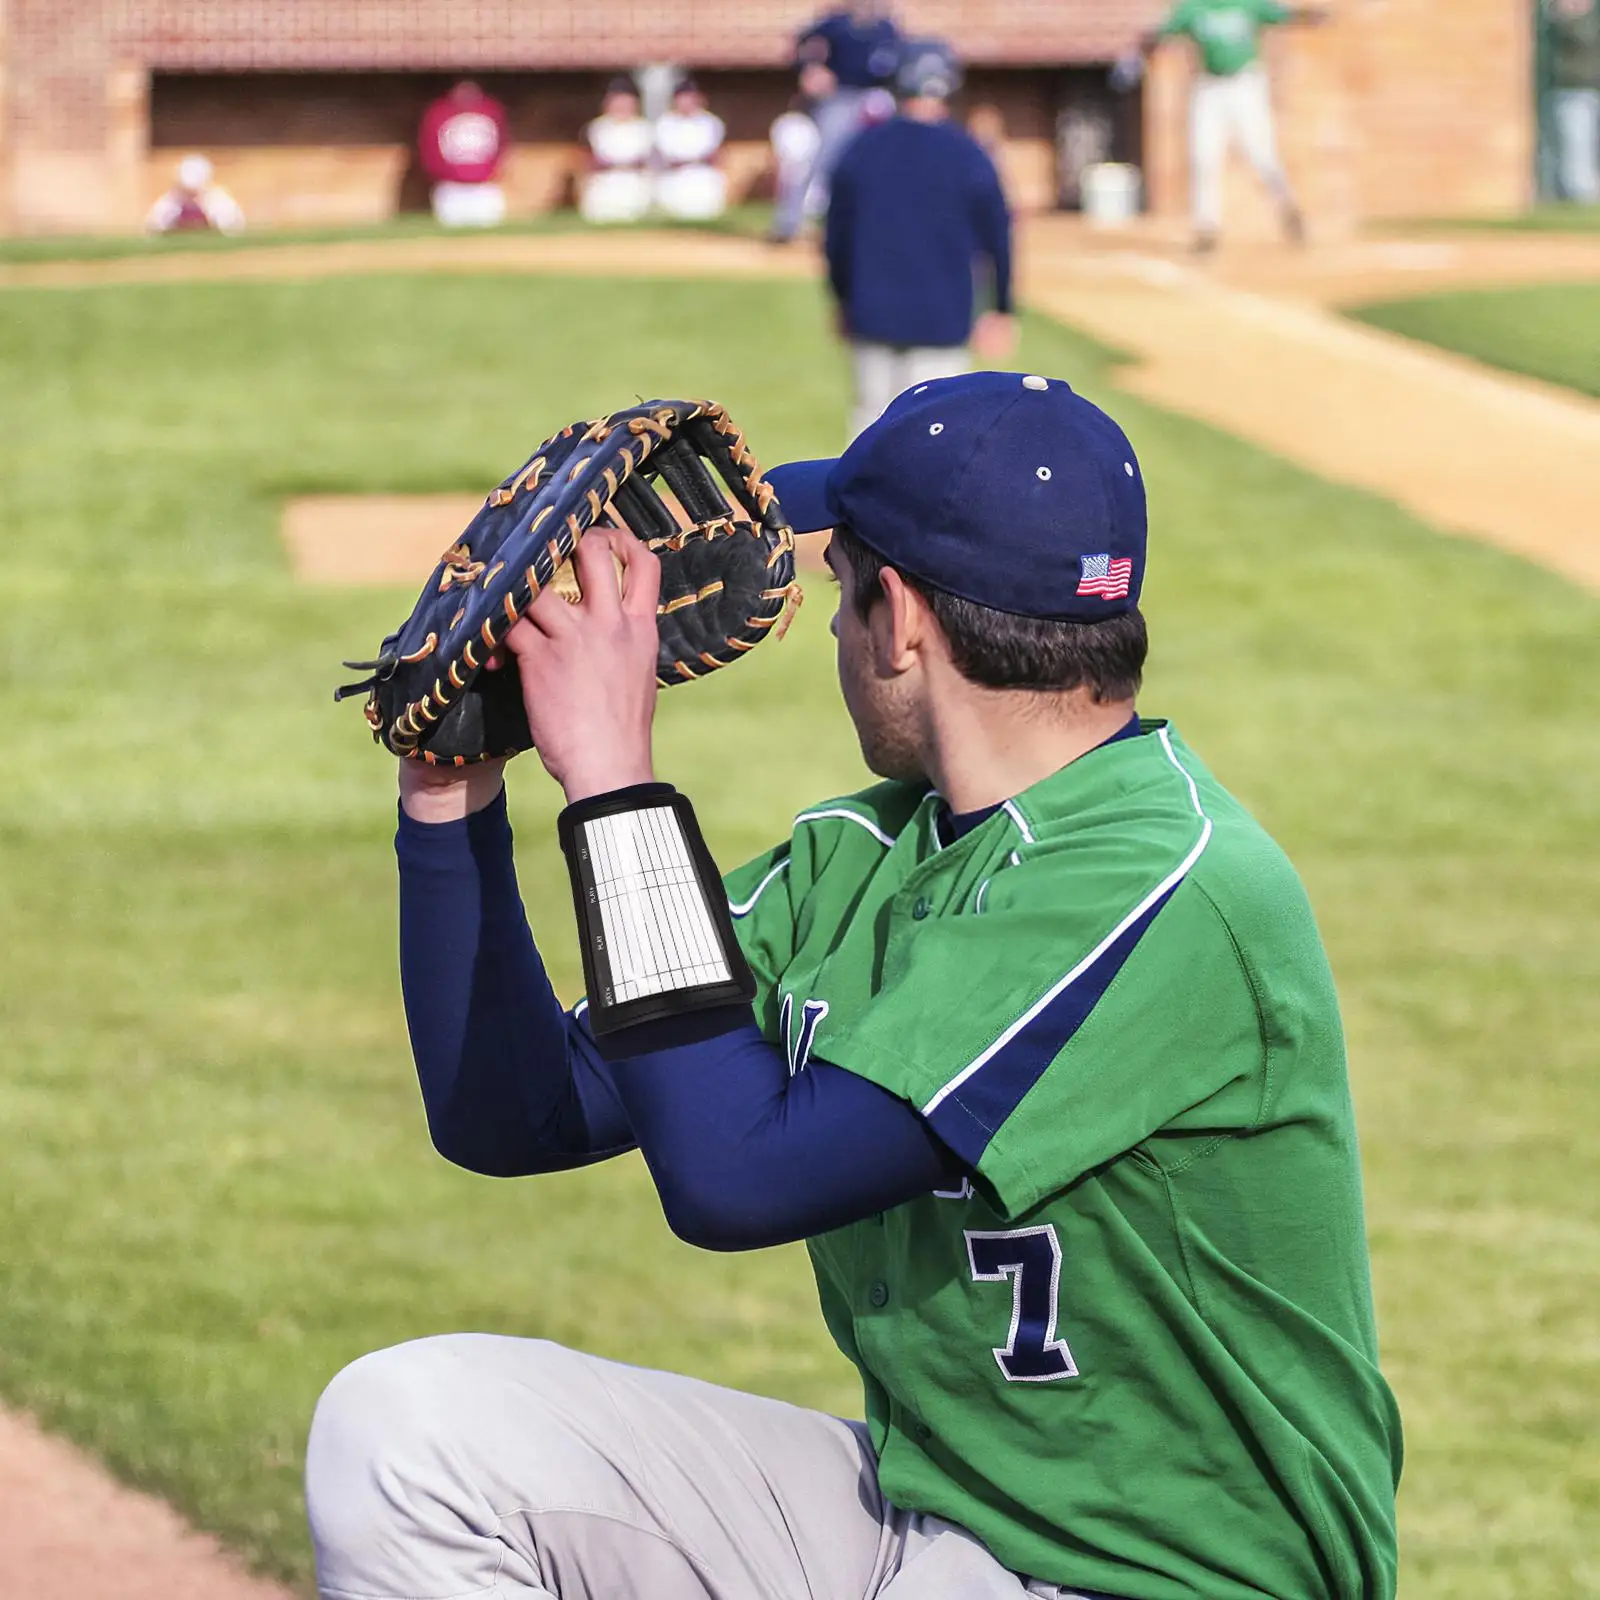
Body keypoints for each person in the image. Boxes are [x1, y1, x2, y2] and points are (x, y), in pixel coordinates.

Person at [305, 370, 1403, 1600]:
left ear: (901, 618)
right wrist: (450, 792)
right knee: (409, 1434)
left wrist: (611, 781)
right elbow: (512, 1112)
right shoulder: (869, 856)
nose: (832, 630)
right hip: (927, 1520)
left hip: (1160, 1580)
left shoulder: (1167, 883)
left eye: (837, 591)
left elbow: (736, 1175)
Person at [826, 41, 1014, 439]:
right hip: (942, 316)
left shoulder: (862, 148)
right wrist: (1000, 307)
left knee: (868, 428)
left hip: (871, 311)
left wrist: (842, 298)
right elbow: (998, 236)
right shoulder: (969, 154)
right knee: (938, 436)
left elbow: (835, 235)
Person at [1125, 0, 1329, 253]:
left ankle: (1288, 208)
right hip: (1209, 86)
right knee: (1203, 157)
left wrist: (1314, 15)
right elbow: (1162, 32)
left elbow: (1281, 14)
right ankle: (1206, 228)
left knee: (1262, 155)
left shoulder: (1247, 4)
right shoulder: (1193, 8)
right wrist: (1140, 52)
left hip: (1245, 85)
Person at [771, 0, 904, 242]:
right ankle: (788, 225)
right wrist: (810, 69)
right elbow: (801, 43)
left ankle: (885, 225)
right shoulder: (836, 23)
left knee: (888, 161)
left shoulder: (887, 26)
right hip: (841, 97)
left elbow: (898, 62)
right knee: (821, 160)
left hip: (876, 97)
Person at [417, 80, 509, 228]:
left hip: (484, 187)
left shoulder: (491, 110)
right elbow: (429, 146)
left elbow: (502, 144)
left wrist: (496, 170)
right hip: (451, 188)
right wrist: (438, 175)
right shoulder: (438, 112)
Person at [580, 77, 654, 225]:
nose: (622, 106)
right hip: (606, 182)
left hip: (634, 183)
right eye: (617, 101)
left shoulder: (644, 128)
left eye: (626, 102)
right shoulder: (598, 127)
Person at [653, 77, 728, 222]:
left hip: (702, 174)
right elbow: (663, 154)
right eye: (682, 98)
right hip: (675, 175)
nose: (686, 102)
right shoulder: (665, 122)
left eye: (690, 98)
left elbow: (715, 152)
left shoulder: (710, 122)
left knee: (706, 213)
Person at [1547, 0, 1600, 202]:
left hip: (1586, 91)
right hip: (1570, 89)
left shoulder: (1589, 21)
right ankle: (1577, 194)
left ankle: (1582, 193)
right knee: (1572, 144)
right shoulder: (1558, 20)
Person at [144, 154, 244, 236]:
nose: (191, 195)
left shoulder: (219, 202)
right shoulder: (170, 203)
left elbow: (233, 231)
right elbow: (153, 230)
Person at [770, 93, 824, 232]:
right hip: (787, 164)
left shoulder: (809, 123)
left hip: (805, 165)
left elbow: (814, 146)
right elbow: (778, 144)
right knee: (784, 197)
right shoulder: (785, 122)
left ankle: (797, 226)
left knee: (806, 199)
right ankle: (783, 226)